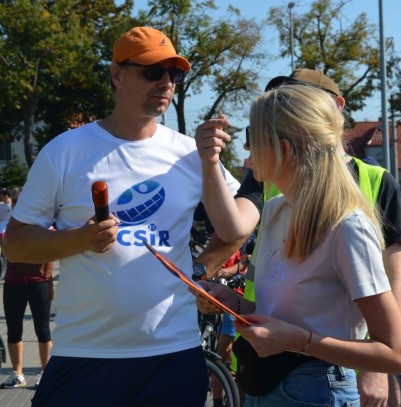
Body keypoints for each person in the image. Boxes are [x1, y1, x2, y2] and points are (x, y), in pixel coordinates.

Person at [3, 26, 240, 407]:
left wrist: (199, 271)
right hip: (86, 354)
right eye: (152, 71)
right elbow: (15, 244)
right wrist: (78, 239)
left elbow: (239, 225)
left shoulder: (190, 154)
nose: (165, 83)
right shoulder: (66, 151)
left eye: (173, 74)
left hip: (172, 353)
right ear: (116, 74)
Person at [194, 69, 401, 405]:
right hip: (264, 383)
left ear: (283, 148)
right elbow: (266, 308)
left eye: (254, 137)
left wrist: (299, 341)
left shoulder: (347, 226)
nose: (248, 149)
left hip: (316, 388)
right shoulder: (276, 209)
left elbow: (396, 355)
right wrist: (230, 303)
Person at [1, 187, 53, 390]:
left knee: (43, 329)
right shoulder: (7, 224)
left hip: (38, 280)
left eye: (20, 200)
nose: (16, 204)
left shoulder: (44, 223)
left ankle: (44, 373)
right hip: (13, 280)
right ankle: (17, 374)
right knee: (13, 329)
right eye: (14, 201)